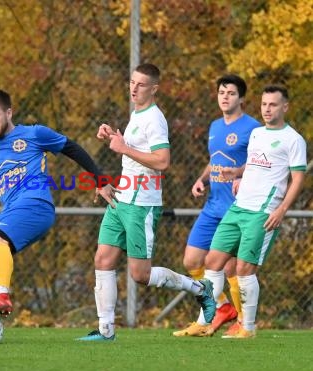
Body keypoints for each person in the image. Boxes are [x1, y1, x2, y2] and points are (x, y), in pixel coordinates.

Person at [0, 88, 116, 330]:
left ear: (9, 112)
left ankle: (1, 294)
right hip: (11, 211)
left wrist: (100, 180)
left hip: (36, 206)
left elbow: (72, 148)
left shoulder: (34, 134)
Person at [77, 63, 216, 342]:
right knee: (102, 259)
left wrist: (124, 147)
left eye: (141, 84)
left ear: (154, 89)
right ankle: (105, 331)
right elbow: (134, 156)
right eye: (132, 82)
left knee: (140, 274)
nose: (134, 88)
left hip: (142, 205)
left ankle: (200, 288)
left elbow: (162, 161)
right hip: (121, 197)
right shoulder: (136, 115)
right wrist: (115, 138)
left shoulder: (155, 118)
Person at [198, 85, 307, 338]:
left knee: (244, 270)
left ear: (285, 107)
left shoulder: (294, 139)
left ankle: (247, 328)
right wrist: (236, 173)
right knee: (212, 262)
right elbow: (254, 164)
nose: (267, 109)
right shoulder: (257, 133)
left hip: (262, 212)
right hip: (238, 207)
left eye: (273, 105)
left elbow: (298, 179)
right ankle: (205, 320)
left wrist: (281, 210)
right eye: (264, 104)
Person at [173, 74, 261, 338]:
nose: (225, 97)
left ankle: (244, 322)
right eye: (222, 92)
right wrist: (201, 179)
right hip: (213, 206)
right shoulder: (214, 126)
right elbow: (215, 161)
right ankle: (222, 306)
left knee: (232, 268)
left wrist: (238, 173)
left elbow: (259, 162)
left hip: (238, 207)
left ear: (242, 99)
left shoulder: (253, 128)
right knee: (191, 260)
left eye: (231, 93)